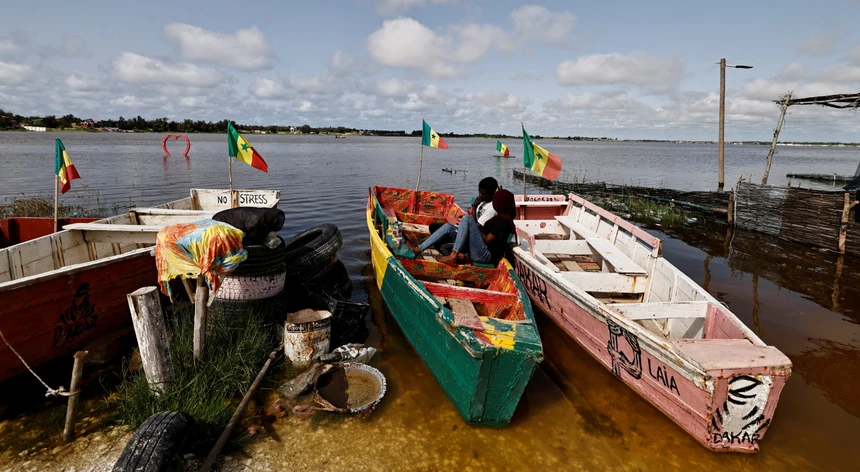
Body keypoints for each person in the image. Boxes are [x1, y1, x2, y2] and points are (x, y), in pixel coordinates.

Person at [411, 189, 517, 267]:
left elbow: (487, 240)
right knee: (449, 226)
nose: (493, 203)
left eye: (496, 201)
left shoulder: (503, 221)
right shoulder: (500, 217)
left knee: (466, 219)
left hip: (485, 255)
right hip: (479, 250)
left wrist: (473, 225)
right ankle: (419, 249)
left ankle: (453, 256)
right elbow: (481, 234)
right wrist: (473, 225)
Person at [423, 177, 498, 253]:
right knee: (433, 227)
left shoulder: (492, 208)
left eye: (483, 194)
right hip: (467, 231)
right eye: (479, 192)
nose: (480, 196)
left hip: (472, 239)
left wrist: (474, 207)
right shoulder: (483, 200)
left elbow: (476, 227)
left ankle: (456, 254)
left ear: (492, 192)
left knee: (439, 242)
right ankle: (420, 248)